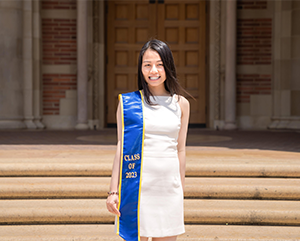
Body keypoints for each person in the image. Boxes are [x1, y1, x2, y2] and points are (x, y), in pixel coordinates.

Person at [106, 39, 190, 241]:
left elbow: (180, 149)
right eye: (147, 65)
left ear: (168, 67)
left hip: (169, 186)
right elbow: (121, 146)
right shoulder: (129, 104)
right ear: (141, 68)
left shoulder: (181, 104)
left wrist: (181, 188)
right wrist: (112, 191)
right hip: (140, 186)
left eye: (160, 64)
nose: (154, 70)